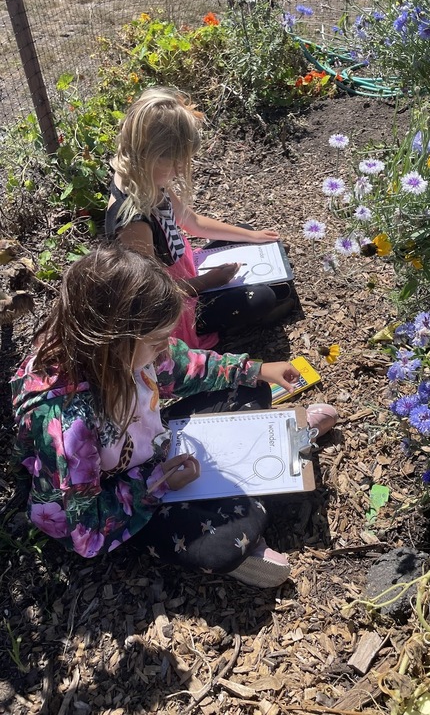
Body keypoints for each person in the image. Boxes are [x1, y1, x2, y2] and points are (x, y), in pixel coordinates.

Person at [11, 245, 337, 587]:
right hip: (114, 490)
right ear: (112, 339)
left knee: (250, 387)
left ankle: (261, 474)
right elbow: (87, 529)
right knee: (222, 546)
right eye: (156, 341)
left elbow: (181, 367)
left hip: (150, 445)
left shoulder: (119, 351)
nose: (165, 348)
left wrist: (256, 369)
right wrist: (155, 484)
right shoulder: (68, 426)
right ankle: (246, 524)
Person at [104, 86, 294, 350]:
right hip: (175, 309)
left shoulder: (145, 176)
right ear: (151, 155)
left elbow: (190, 221)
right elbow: (153, 295)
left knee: (246, 233)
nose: (180, 169)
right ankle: (226, 333)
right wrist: (210, 282)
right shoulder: (133, 222)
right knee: (260, 298)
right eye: (175, 162)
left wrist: (253, 237)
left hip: (187, 270)